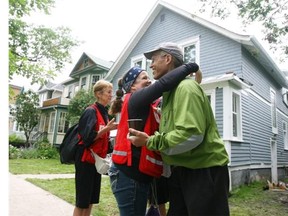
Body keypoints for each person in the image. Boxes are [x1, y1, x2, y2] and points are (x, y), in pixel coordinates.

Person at [128, 42, 230, 216]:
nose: (151, 65)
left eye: (153, 60)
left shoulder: (186, 88)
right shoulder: (169, 93)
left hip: (203, 171)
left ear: (167, 59)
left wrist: (149, 141)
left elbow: (191, 135)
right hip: (182, 170)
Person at [108, 62, 200, 216]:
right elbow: (163, 84)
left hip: (136, 176)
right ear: (132, 87)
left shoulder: (147, 106)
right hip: (129, 176)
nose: (150, 80)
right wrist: (191, 67)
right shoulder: (136, 99)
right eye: (144, 78)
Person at [73, 79, 118, 216]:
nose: (111, 95)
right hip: (85, 160)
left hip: (96, 162)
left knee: (91, 200)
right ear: (99, 94)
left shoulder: (103, 112)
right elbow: (87, 139)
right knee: (82, 201)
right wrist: (106, 130)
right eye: (109, 92)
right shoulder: (90, 112)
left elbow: (102, 138)